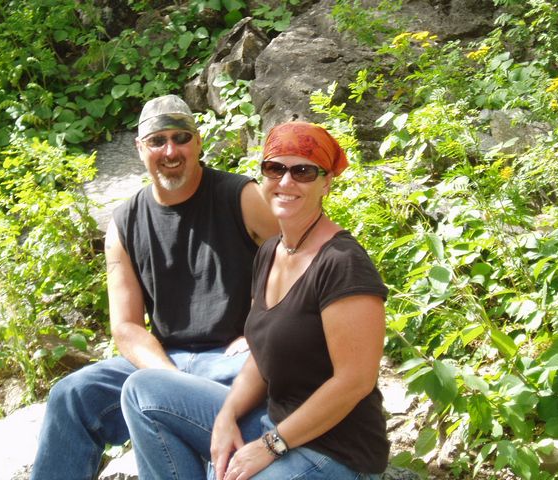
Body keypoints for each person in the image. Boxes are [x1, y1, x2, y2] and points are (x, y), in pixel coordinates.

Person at [122, 121, 390, 479]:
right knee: (142, 390)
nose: (286, 182)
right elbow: (260, 358)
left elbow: (354, 381)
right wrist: (227, 415)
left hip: (335, 451)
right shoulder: (270, 251)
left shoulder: (343, 262)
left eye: (304, 172)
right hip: (274, 423)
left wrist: (270, 445)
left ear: (326, 182)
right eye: (274, 168)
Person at [30, 94, 278, 480]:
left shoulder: (240, 197)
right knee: (71, 395)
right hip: (164, 359)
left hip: (233, 359)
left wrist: (260, 329)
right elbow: (126, 327)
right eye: (157, 141)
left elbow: (295, 268)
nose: (170, 151)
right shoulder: (124, 224)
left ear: (198, 142)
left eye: (181, 138)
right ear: (139, 148)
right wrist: (168, 380)